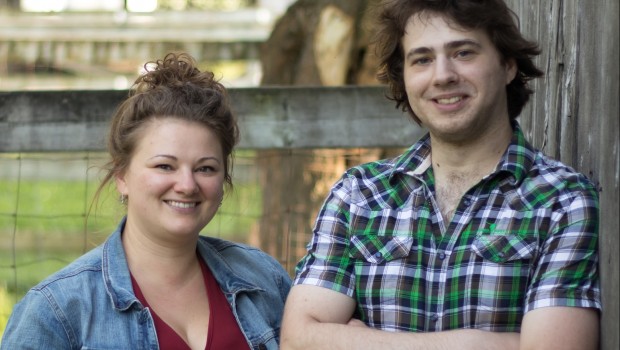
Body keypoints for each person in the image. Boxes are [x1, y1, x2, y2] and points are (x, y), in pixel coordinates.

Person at [280, 0, 600, 349]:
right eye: (422, 59)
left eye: (463, 53)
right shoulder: (359, 195)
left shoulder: (562, 201)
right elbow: (299, 340)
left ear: (507, 65)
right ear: (404, 76)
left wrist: (356, 340)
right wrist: (488, 343)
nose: (443, 75)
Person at [1, 52, 291, 350]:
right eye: (165, 166)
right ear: (122, 175)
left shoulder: (264, 280)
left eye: (205, 168)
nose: (187, 185)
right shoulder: (56, 312)